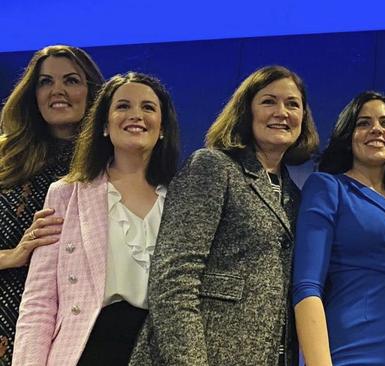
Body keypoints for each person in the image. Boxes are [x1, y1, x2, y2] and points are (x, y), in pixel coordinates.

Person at [128, 65, 319, 366]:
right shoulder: (212, 167)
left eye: (292, 104)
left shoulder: (295, 197)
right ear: (246, 112)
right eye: (269, 101)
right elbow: (173, 280)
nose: (282, 112)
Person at [13, 72, 180, 366]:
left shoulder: (183, 200)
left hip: (161, 350)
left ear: (163, 127)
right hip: (88, 348)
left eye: (148, 107)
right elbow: (39, 301)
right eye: (123, 106)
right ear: (104, 124)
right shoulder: (66, 194)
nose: (136, 115)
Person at [293, 91, 385, 365]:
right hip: (350, 353)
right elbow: (307, 287)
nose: (376, 129)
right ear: (348, 135)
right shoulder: (327, 188)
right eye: (363, 123)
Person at [0, 45, 103, 364]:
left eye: (71, 80)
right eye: (45, 82)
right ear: (33, 93)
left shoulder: (112, 166)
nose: (57, 90)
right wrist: (13, 256)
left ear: (93, 93)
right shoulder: (4, 160)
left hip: (78, 332)